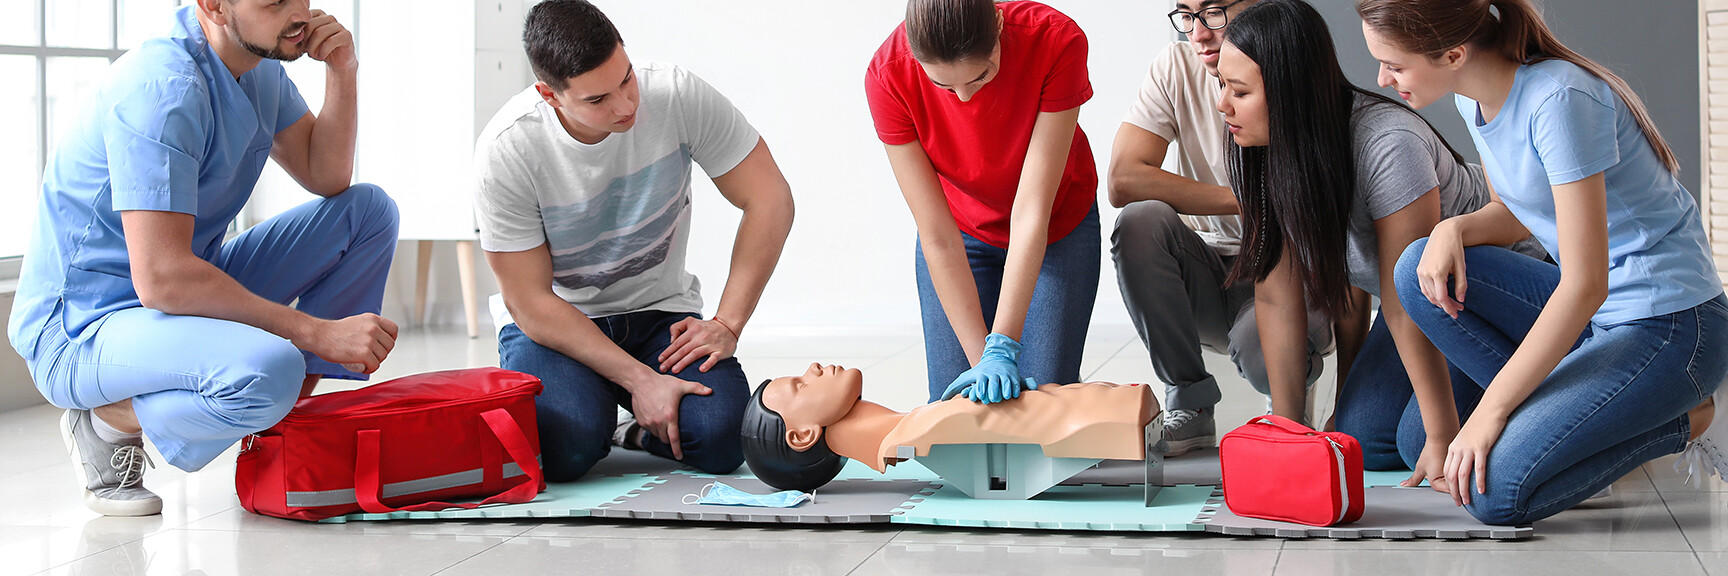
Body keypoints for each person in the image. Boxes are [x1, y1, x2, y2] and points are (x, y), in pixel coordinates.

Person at [6, 0, 399, 517]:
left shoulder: (254, 67)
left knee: (368, 212)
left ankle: (280, 423)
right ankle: (106, 418)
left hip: (182, 288)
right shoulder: (162, 90)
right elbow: (162, 279)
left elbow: (326, 177)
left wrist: (342, 71)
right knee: (272, 368)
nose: (300, 12)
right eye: (276, 2)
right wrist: (312, 331)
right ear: (214, 6)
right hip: (86, 326)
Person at [1356, 0, 1728, 524]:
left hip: (1669, 325)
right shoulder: (1474, 99)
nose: (1382, 79)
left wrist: (1491, 412)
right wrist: (1453, 227)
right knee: (1416, 274)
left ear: (1454, 53)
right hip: (1596, 321)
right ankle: (1572, 414)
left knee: (1490, 494)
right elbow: (1517, 212)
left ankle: (1686, 418)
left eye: (1394, 66)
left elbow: (1585, 285)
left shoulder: (1561, 100)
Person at [1215, 0, 1546, 484]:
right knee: (1361, 439)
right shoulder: (1265, 149)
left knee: (1419, 442)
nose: (1222, 104)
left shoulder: (1388, 143)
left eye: (1239, 91)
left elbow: (1403, 300)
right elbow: (1276, 295)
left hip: (1493, 290)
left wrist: (1439, 436)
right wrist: (1290, 435)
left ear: (1290, 95)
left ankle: (1584, 403)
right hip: (1428, 297)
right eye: (1221, 85)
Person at [476, 0, 795, 482]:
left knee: (725, 437)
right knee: (567, 448)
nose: (625, 106)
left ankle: (634, 430)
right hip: (560, 325)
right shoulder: (509, 149)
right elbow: (530, 301)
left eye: (626, 78)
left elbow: (771, 198)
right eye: (597, 100)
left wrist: (728, 323)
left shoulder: (676, 94)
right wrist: (641, 381)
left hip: (657, 315)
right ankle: (600, 405)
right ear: (550, 95)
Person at [1108, 0, 1336, 455]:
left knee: (1262, 341)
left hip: (1293, 271)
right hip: (1212, 267)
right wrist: (1247, 204)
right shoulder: (1175, 66)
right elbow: (1123, 178)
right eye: (1186, 15)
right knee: (1139, 221)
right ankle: (1190, 404)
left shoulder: (1292, 62)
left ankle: (1286, 400)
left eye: (1212, 12)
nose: (1197, 33)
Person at [865, 0, 1099, 405]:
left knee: (1039, 411)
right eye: (943, 86)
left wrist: (1002, 347)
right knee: (961, 412)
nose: (963, 98)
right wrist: (982, 365)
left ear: (997, 22)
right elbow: (936, 234)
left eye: (980, 76)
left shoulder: (1056, 40)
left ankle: (1059, 375)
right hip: (959, 232)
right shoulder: (888, 75)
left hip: (1054, 226)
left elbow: (1031, 211)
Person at [741, 363, 1157, 491]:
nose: (812, 368)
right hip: (1121, 410)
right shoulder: (934, 426)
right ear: (802, 436)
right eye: (799, 384)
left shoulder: (928, 421)